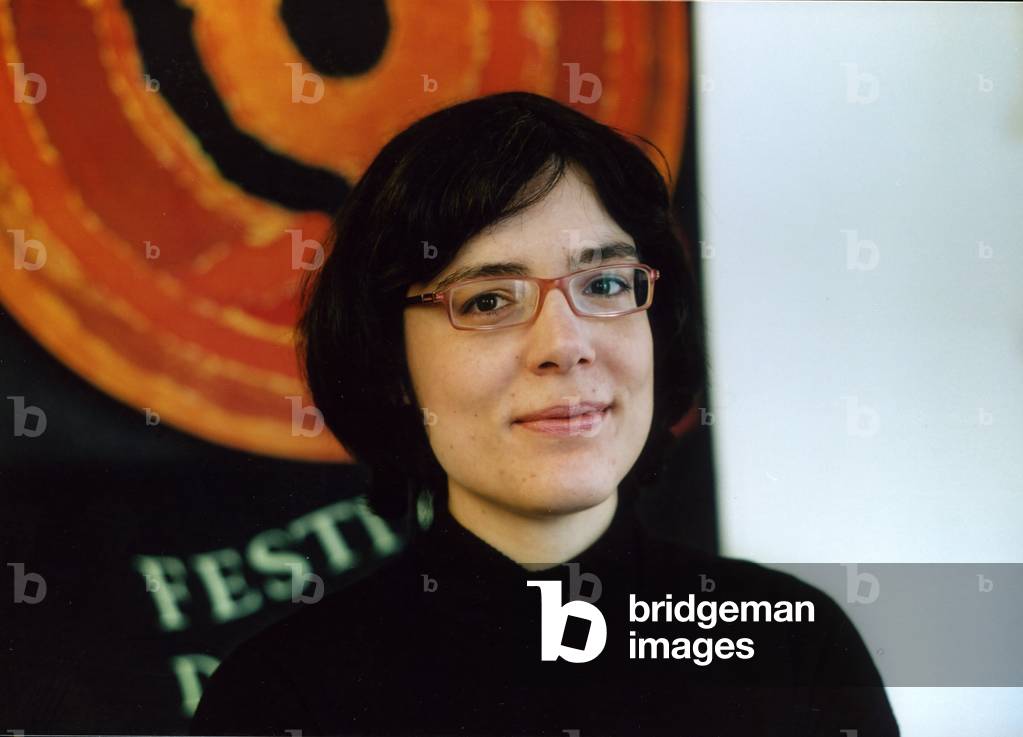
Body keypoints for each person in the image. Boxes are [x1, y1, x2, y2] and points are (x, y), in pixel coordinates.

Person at [190, 91, 900, 737]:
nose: (564, 344)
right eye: (488, 300)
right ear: (392, 364)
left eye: (605, 284)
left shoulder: (795, 649)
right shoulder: (281, 697)